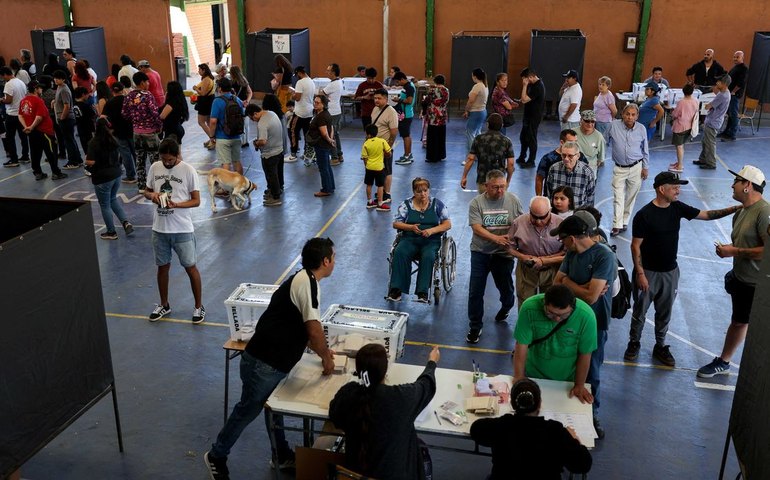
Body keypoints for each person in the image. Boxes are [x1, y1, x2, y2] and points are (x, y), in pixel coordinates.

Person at [205, 238, 337, 480]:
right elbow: (314, 330)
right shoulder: (306, 284)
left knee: (273, 409)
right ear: (325, 261)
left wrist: (322, 350)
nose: (335, 262)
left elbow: (301, 326)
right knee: (248, 410)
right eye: (333, 257)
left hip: (271, 361)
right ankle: (217, 455)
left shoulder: (307, 281)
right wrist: (326, 357)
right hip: (263, 363)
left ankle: (281, 454)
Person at [624, 171, 743, 367]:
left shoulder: (677, 208)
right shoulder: (644, 215)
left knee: (665, 312)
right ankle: (634, 342)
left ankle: (660, 345)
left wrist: (736, 208)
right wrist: (640, 274)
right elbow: (635, 245)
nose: (678, 190)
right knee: (640, 311)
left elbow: (705, 215)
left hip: (670, 272)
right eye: (675, 187)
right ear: (662, 190)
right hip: (648, 273)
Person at [697, 166, 770, 378]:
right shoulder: (742, 210)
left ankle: (725, 361)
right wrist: (730, 249)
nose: (732, 185)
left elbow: (767, 250)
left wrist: (734, 251)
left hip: (755, 283)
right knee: (739, 320)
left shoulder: (764, 213)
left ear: (747, 186)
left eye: (736, 181)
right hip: (742, 277)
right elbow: (744, 242)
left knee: (741, 322)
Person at [330, 343, 439, 480]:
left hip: (354, 475)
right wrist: (432, 362)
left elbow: (334, 416)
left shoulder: (349, 395)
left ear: (358, 369)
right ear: (385, 370)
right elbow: (426, 385)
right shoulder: (400, 398)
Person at [552, 212, 617, 439]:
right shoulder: (571, 254)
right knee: (566, 364)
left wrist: (570, 283)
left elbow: (591, 298)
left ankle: (592, 412)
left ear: (572, 238)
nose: (561, 243)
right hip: (568, 319)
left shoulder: (604, 256)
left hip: (595, 322)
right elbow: (556, 285)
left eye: (562, 238)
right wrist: (580, 286)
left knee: (592, 370)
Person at [471, 377, 592, 480]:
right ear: (540, 403)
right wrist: (573, 439)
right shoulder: (555, 431)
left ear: (512, 404)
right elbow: (583, 464)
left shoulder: (503, 425)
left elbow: (475, 429)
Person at [143, 137, 205, 323]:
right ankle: (164, 304)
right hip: (159, 229)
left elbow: (196, 200)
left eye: (170, 160)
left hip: (181, 229)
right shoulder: (155, 167)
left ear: (177, 155)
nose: (167, 163)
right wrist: (152, 195)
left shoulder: (188, 170)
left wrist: (176, 205)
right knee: (162, 267)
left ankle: (198, 307)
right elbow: (146, 190)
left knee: (190, 267)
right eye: (164, 159)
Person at [466, 169, 524, 343]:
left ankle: (506, 306)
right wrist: (496, 238)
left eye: (502, 187)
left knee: (506, 289)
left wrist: (512, 238)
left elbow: (520, 223)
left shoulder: (513, 200)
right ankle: (475, 326)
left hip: (503, 255)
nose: (500, 191)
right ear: (486, 186)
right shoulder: (476, 203)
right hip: (480, 253)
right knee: (475, 291)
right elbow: (476, 228)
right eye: (495, 187)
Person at [512, 285, 596, 401]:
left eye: (563, 315)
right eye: (550, 313)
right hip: (533, 375)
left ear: (572, 307)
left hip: (566, 382)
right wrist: (519, 377)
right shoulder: (529, 308)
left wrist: (579, 385)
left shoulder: (586, 317)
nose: (556, 319)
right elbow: (521, 345)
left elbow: (585, 354)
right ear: (544, 303)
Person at [387, 177, 451, 303]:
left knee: (428, 256)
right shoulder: (406, 205)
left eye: (425, 191)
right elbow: (396, 224)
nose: (423, 194)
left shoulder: (437, 204)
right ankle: (396, 290)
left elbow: (447, 224)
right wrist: (410, 227)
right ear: (413, 192)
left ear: (429, 190)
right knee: (400, 252)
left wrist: (431, 230)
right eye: (419, 191)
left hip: (431, 241)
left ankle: (422, 292)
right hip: (410, 239)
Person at [508, 197, 565, 307]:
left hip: (552, 271)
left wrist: (543, 261)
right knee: (525, 304)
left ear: (550, 210)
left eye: (542, 217)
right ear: (529, 210)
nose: (538, 221)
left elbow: (566, 251)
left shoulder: (560, 224)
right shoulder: (518, 222)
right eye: (534, 216)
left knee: (551, 304)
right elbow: (509, 247)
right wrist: (522, 256)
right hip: (526, 270)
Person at [85, 118, 134, 240]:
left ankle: (111, 232)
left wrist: (87, 162)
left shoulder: (94, 142)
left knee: (104, 204)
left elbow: (90, 161)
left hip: (102, 177)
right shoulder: (113, 140)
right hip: (116, 175)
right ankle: (125, 222)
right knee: (113, 199)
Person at [606, 104, 649, 236]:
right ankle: (616, 225)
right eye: (627, 114)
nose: (630, 117)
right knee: (618, 197)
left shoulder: (641, 129)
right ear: (622, 114)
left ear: (637, 116)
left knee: (631, 196)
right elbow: (604, 141)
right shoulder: (613, 126)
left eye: (633, 115)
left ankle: (624, 221)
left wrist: (645, 167)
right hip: (619, 168)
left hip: (637, 167)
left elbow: (645, 150)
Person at [18, 80, 67, 180]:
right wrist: (31, 127)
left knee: (35, 152)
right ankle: (56, 172)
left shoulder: (23, 101)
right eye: (39, 88)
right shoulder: (38, 100)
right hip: (44, 131)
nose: (41, 89)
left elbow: (20, 115)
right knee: (51, 151)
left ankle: (38, 172)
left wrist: (27, 127)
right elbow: (39, 117)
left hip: (32, 132)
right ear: (35, 89)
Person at [122, 71, 162, 193]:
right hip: (150, 132)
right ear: (142, 82)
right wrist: (159, 125)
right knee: (155, 161)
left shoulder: (129, 96)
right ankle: (156, 185)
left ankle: (141, 186)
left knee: (140, 159)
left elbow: (124, 113)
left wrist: (135, 120)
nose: (148, 83)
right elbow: (154, 113)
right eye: (147, 81)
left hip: (136, 133)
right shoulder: (148, 95)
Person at [461, 113, 514, 194]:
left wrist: (464, 176)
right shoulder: (506, 141)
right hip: (499, 182)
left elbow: (471, 159)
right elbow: (511, 164)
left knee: (484, 204)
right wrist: (508, 181)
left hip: (483, 181)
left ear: (487, 124)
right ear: (502, 125)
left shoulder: (478, 139)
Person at [246, 103, 284, 206]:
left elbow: (262, 141)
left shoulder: (262, 123)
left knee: (271, 174)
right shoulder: (271, 113)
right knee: (278, 172)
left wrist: (256, 143)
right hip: (279, 149)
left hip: (269, 153)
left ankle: (275, 197)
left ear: (255, 114)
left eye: (252, 118)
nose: (253, 121)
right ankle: (278, 188)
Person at [694, 73, 731, 170]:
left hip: (713, 122)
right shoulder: (725, 93)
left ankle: (711, 163)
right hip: (714, 120)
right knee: (705, 141)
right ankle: (703, 159)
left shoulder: (722, 95)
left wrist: (706, 105)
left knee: (710, 143)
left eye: (718, 82)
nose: (716, 83)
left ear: (724, 84)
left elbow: (709, 106)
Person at [543, 140, 595, 208]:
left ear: (578, 156)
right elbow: (549, 194)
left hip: (577, 214)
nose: (566, 159)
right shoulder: (553, 169)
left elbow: (590, 198)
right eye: (563, 155)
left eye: (570, 156)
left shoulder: (587, 172)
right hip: (558, 213)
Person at [535, 129, 587, 196]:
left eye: (576, 142)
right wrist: (539, 198)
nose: (574, 145)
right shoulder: (548, 158)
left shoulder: (580, 156)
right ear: (562, 142)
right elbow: (539, 179)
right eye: (570, 142)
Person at [209, 78, 245, 175]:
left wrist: (211, 136)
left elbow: (213, 121)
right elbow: (243, 115)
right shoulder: (237, 99)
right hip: (236, 136)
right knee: (237, 161)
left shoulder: (217, 101)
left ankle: (226, 187)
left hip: (222, 137)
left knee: (225, 163)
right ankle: (241, 184)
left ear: (219, 88)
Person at [103, 82, 137, 183]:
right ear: (123, 89)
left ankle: (131, 176)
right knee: (137, 153)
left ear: (112, 91)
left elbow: (103, 117)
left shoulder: (109, 102)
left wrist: (110, 128)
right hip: (132, 130)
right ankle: (142, 175)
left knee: (125, 154)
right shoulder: (129, 100)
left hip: (118, 132)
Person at [370, 88, 399, 203]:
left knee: (387, 170)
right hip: (375, 147)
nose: (376, 100)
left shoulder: (391, 112)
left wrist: (388, 148)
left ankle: (387, 194)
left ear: (386, 99)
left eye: (379, 98)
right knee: (378, 170)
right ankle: (381, 191)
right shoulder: (375, 109)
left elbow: (393, 132)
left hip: (385, 147)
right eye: (375, 98)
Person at [52, 70, 82, 168]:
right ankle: (78, 159)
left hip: (66, 119)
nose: (55, 80)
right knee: (70, 139)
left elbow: (67, 105)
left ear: (63, 79)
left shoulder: (64, 89)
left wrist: (62, 118)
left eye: (58, 78)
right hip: (64, 118)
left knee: (68, 141)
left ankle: (73, 161)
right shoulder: (59, 88)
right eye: (55, 78)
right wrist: (54, 102)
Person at [1, 66, 30, 167]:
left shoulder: (8, 84)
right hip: (21, 114)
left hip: (12, 114)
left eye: (2, 76)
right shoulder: (20, 82)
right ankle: (25, 156)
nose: (2, 79)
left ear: (5, 74)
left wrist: (1, 100)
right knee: (23, 137)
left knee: (10, 137)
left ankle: (14, 159)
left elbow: (8, 100)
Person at [307, 94, 336, 197]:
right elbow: (331, 127)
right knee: (327, 166)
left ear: (323, 104)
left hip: (321, 144)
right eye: (314, 102)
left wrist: (329, 139)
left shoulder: (321, 116)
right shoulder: (326, 113)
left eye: (318, 103)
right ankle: (330, 187)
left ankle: (326, 189)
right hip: (325, 144)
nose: (315, 104)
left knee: (323, 167)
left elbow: (324, 132)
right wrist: (331, 139)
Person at [517, 67, 545, 168]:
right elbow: (526, 98)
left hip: (534, 116)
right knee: (523, 137)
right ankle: (522, 156)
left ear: (531, 77)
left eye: (525, 79)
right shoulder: (532, 85)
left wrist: (524, 86)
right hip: (528, 115)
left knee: (531, 138)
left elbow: (525, 100)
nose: (524, 82)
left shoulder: (538, 86)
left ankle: (531, 160)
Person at [668, 83, 699, 173]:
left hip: (680, 127)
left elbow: (675, 114)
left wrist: (672, 114)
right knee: (681, 145)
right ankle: (679, 163)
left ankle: (680, 165)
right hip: (690, 126)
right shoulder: (696, 101)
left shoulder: (682, 102)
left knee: (679, 146)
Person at [360, 124, 391, 211]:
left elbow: (364, 158)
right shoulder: (382, 141)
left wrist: (366, 166)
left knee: (369, 184)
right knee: (380, 185)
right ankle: (380, 204)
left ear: (368, 134)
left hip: (369, 167)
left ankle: (370, 202)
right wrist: (385, 155)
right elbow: (389, 152)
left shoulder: (365, 144)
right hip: (379, 168)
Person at [261, 94, 288, 190]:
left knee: (271, 170)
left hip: (273, 147)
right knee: (280, 167)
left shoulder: (270, 117)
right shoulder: (282, 114)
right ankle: (280, 184)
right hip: (282, 145)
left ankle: (273, 189)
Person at [720, 51, 748, 142]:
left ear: (742, 58)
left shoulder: (744, 68)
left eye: (737, 57)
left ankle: (732, 134)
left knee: (733, 114)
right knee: (729, 114)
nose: (735, 59)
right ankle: (726, 132)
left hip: (734, 95)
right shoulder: (735, 67)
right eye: (734, 57)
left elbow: (741, 83)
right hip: (729, 94)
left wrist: (733, 92)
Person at [321, 63, 344, 165]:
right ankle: (339, 155)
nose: (327, 72)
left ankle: (334, 157)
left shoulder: (332, 84)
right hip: (337, 111)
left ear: (333, 72)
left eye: (328, 71)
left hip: (332, 112)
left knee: (331, 135)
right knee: (336, 134)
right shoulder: (339, 81)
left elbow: (322, 93)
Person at [292, 66, 316, 163]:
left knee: (293, 132)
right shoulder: (311, 81)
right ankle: (307, 153)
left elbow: (297, 98)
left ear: (299, 73)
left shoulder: (300, 82)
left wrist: (292, 94)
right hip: (309, 111)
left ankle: (293, 153)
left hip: (299, 112)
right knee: (307, 133)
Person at [393, 71, 417, 165]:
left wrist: (398, 100)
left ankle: (407, 157)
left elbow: (409, 101)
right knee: (406, 135)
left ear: (402, 79)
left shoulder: (409, 87)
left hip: (406, 115)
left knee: (405, 136)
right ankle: (408, 154)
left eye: (398, 82)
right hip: (406, 113)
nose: (397, 84)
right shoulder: (408, 85)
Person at [423, 74, 449, 163]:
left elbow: (426, 101)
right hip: (442, 116)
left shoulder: (432, 91)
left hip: (433, 117)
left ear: (435, 81)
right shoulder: (446, 90)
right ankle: (441, 155)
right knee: (441, 136)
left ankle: (432, 157)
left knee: (432, 137)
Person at [462, 68, 489, 152]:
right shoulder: (485, 85)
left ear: (475, 76)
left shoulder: (477, 86)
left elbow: (471, 100)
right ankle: (479, 153)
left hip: (476, 112)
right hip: (482, 111)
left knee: (470, 134)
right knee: (477, 133)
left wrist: (466, 110)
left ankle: (471, 156)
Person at [193, 64, 216, 150]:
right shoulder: (207, 78)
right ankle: (212, 138)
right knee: (208, 122)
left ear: (204, 70)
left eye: (200, 70)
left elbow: (203, 93)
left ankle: (213, 139)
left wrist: (195, 88)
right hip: (208, 101)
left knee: (201, 122)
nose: (198, 71)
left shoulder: (206, 79)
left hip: (205, 102)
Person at [229, 65, 252, 147]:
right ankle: (247, 141)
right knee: (246, 123)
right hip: (246, 105)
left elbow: (233, 96)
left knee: (239, 123)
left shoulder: (232, 83)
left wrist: (241, 102)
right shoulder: (244, 81)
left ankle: (242, 141)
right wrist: (247, 101)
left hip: (237, 105)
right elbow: (250, 92)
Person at [73, 87, 96, 154]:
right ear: (83, 94)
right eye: (87, 94)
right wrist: (95, 110)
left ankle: (87, 159)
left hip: (80, 128)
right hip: (88, 129)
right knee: (91, 146)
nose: (88, 96)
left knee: (84, 146)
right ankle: (92, 161)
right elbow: (93, 115)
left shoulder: (74, 104)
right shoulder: (86, 106)